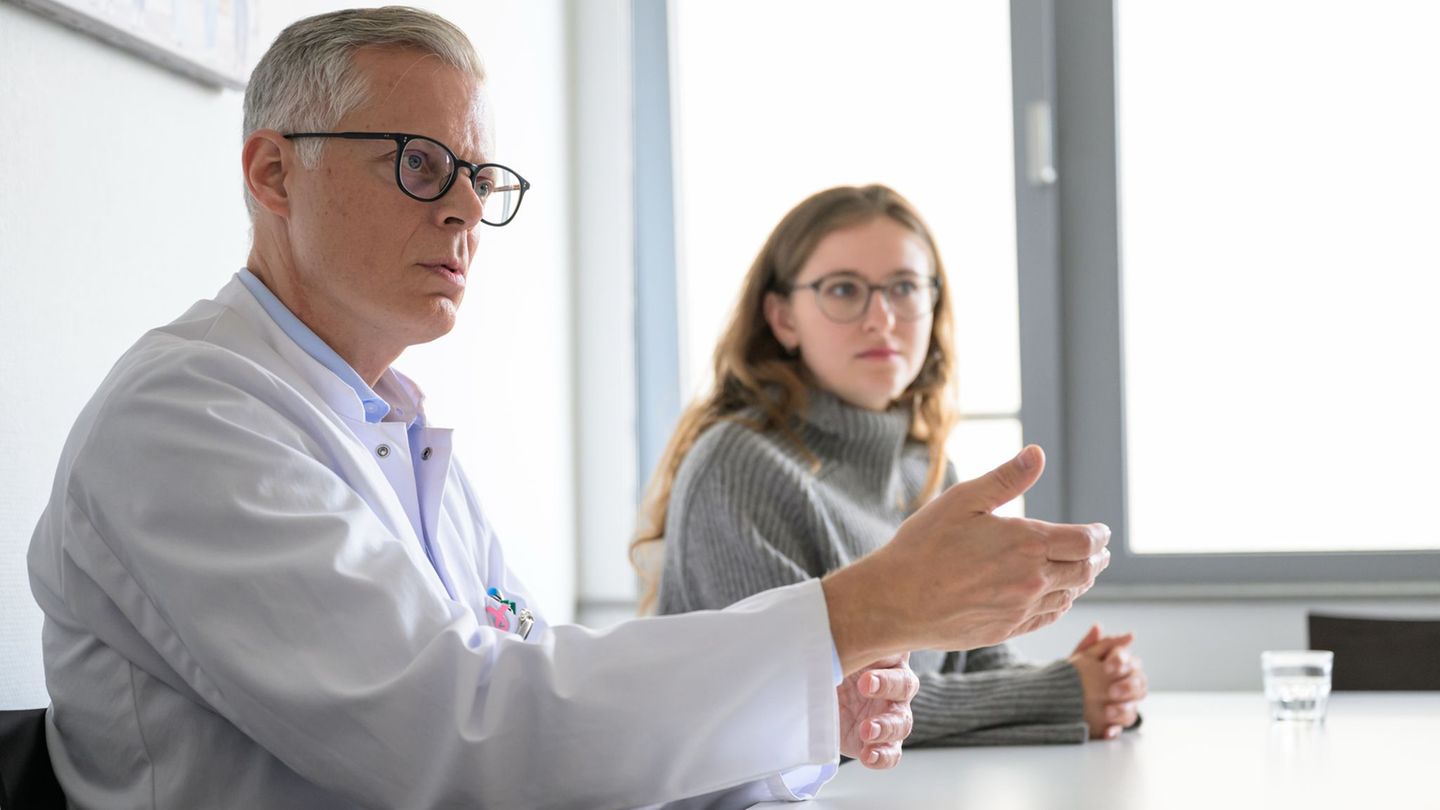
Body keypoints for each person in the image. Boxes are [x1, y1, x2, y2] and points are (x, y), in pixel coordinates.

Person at [26, 9, 1110, 809]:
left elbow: (539, 691)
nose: (463, 208)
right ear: (272, 171)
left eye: (477, 175)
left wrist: (805, 718)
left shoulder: (385, 422)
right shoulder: (187, 415)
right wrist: (854, 617)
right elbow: (464, 736)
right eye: (418, 164)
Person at [635, 184, 1146, 746]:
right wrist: (1062, 694)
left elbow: (980, 667)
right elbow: (818, 707)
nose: (881, 318)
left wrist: (1096, 685)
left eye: (903, 288)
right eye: (844, 289)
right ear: (782, 318)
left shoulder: (926, 467)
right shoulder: (739, 465)